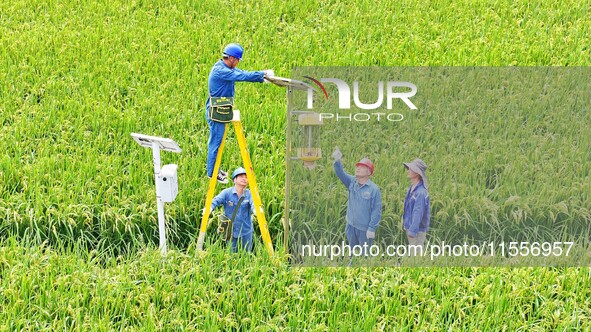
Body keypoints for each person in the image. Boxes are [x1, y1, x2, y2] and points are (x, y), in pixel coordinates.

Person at [206, 43, 273, 183]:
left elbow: (239, 72)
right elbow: (241, 75)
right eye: (237, 60)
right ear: (231, 58)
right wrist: (262, 75)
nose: (237, 63)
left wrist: (261, 75)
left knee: (217, 140)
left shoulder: (223, 67)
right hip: (217, 111)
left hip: (222, 108)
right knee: (216, 142)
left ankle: (215, 169)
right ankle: (212, 172)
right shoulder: (221, 71)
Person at [332, 147, 382, 256]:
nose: (358, 168)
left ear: (369, 172)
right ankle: (351, 268)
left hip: (364, 230)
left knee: (364, 256)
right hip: (351, 225)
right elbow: (340, 173)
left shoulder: (374, 190)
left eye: (362, 167)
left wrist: (371, 228)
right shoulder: (351, 182)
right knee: (352, 253)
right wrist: (337, 160)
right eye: (358, 166)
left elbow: (376, 211)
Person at [211, 167, 255, 252]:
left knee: (246, 253)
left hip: (246, 230)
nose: (244, 178)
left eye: (246, 177)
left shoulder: (249, 194)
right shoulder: (226, 193)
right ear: (235, 180)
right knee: (231, 253)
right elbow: (216, 200)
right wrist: (210, 208)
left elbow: (254, 203)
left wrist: (256, 210)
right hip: (231, 230)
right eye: (241, 176)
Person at [402, 158, 431, 256]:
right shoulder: (412, 189)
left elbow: (418, 212)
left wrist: (413, 230)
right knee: (413, 253)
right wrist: (406, 224)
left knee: (416, 256)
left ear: (417, 173)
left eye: (412, 169)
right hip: (411, 228)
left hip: (417, 230)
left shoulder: (420, 193)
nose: (409, 170)